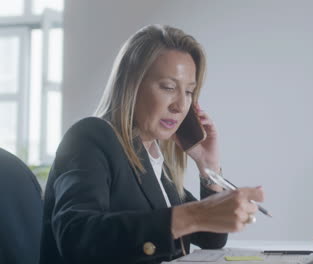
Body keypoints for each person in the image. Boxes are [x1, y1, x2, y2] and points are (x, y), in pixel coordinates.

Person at [39, 24, 264, 264]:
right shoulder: (89, 138)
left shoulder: (152, 158)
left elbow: (211, 238)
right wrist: (192, 215)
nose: (180, 105)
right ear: (131, 85)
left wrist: (208, 167)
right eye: (168, 87)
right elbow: (76, 237)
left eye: (188, 92)